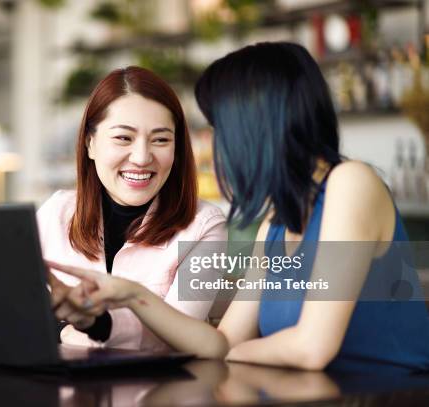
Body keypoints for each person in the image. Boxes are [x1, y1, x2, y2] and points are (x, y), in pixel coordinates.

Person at [48, 42, 429, 371]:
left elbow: (311, 348)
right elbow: (222, 341)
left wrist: (230, 352)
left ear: (253, 125)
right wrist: (131, 294)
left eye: (220, 127)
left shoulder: (351, 183)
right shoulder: (277, 224)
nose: (217, 144)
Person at [39, 66, 227, 350]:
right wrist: (64, 330)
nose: (141, 157)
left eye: (161, 139)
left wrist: (92, 326)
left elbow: (179, 337)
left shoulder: (205, 226)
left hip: (156, 392)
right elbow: (12, 305)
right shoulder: (56, 212)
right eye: (123, 138)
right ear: (90, 143)